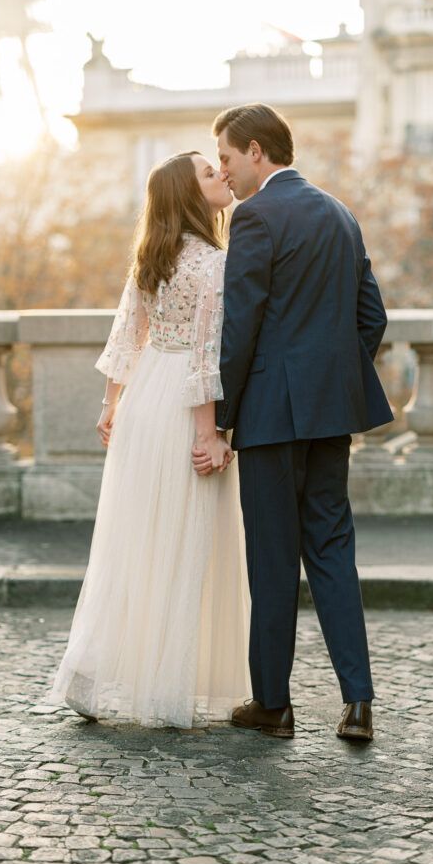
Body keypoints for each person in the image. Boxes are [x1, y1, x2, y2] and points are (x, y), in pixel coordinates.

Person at [193, 104, 393, 742]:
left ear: (256, 151)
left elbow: (241, 325)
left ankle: (273, 704)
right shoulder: (341, 213)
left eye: (225, 158)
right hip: (332, 412)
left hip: (273, 416)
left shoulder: (256, 216)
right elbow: (372, 316)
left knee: (274, 559)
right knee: (333, 551)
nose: (223, 172)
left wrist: (223, 419)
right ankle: (357, 703)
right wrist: (334, 376)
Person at [45, 152, 251, 728]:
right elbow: (208, 356)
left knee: (131, 539)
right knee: (182, 541)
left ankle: (88, 675)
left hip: (144, 400)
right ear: (190, 196)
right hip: (184, 404)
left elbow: (127, 336)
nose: (221, 177)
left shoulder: (150, 256)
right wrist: (209, 434)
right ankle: (165, 688)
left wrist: (111, 405)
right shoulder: (214, 263)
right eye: (210, 174)